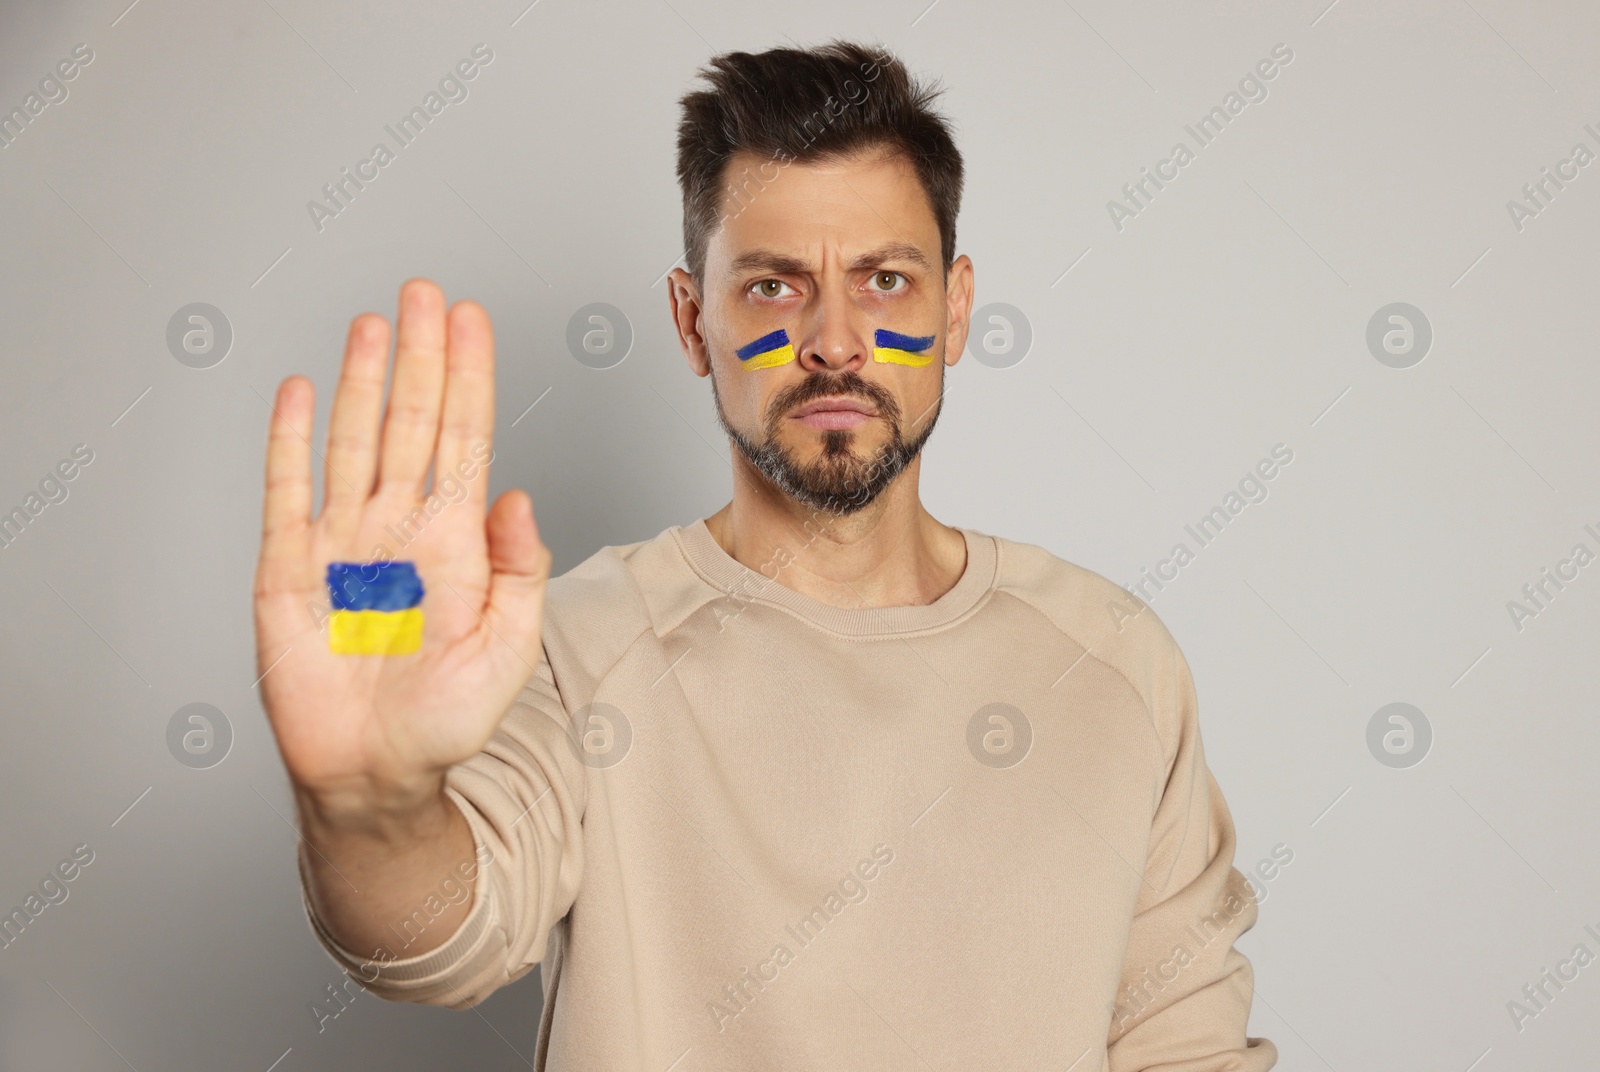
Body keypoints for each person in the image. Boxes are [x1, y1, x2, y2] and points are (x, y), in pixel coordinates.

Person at [254, 38, 1278, 1071]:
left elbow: (1184, 1041)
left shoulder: (1111, 658)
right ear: (693, 321)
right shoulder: (576, 645)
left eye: (884, 280)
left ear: (954, 307)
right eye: (774, 288)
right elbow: (439, 938)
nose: (834, 339)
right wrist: (366, 810)